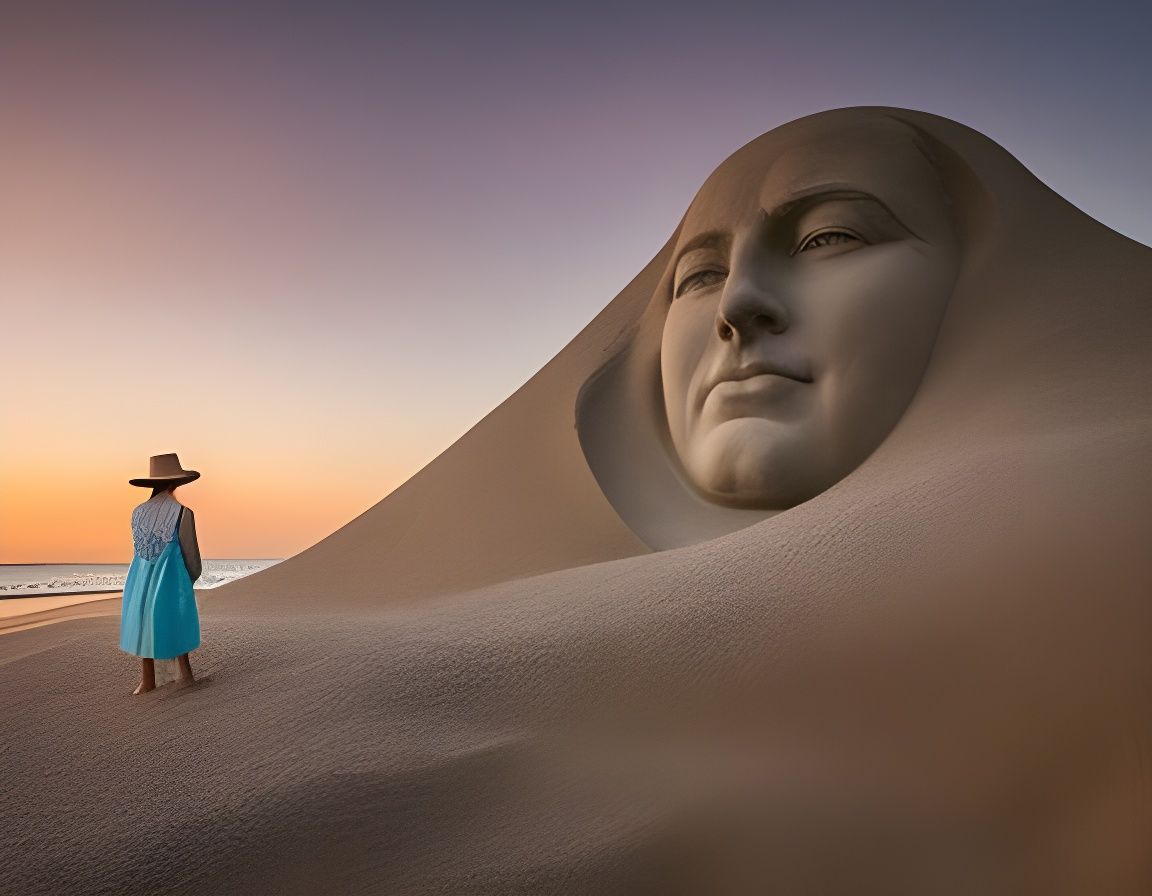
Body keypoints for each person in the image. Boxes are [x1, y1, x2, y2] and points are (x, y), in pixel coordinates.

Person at [119, 452, 203, 694]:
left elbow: (141, 548)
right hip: (171, 578)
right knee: (175, 622)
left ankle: (147, 681)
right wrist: (189, 580)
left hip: (139, 579)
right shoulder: (182, 512)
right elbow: (192, 556)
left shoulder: (137, 512)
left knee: (145, 623)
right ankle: (185, 675)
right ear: (176, 482)